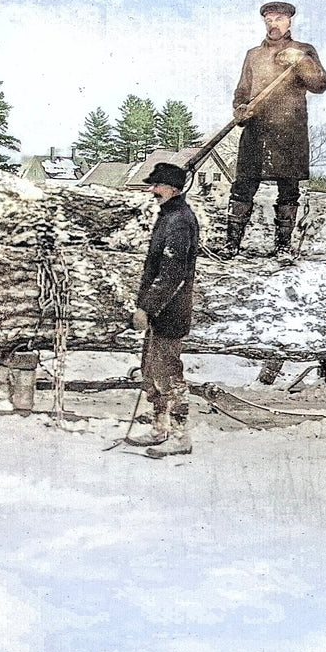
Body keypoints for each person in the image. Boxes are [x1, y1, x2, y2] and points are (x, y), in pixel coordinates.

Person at [226, 1, 326, 255]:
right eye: (269, 20)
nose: (274, 24)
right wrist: (240, 110)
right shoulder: (253, 55)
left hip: (289, 132)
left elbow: (320, 84)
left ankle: (283, 247)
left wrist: (301, 61)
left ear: (289, 22)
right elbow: (241, 92)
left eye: (279, 19)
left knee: (288, 190)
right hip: (256, 131)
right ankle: (231, 245)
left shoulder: (303, 50)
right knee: (243, 187)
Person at [126, 161, 199, 457]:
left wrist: (147, 308)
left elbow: (172, 273)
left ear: (172, 188)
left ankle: (181, 438)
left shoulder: (179, 221)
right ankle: (159, 429)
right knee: (152, 373)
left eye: (157, 185)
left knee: (168, 376)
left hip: (171, 311)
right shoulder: (169, 216)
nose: (152, 190)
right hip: (160, 313)